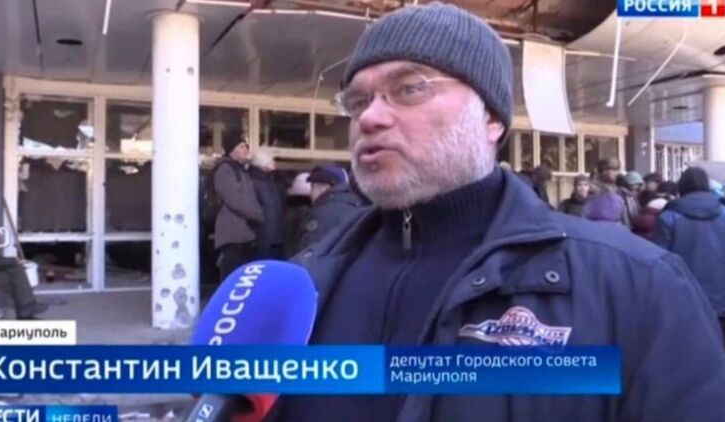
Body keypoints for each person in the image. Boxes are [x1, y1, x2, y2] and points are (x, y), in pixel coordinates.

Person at [270, 4, 725, 421]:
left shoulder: (636, 284)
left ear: (491, 119)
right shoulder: (304, 282)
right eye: (358, 101)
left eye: (409, 89)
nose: (369, 118)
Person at [654, 166, 725, 341]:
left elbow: (660, 262)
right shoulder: (723, 212)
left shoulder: (668, 217)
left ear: (681, 186)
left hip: (684, 297)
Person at [0, 200, 48, 319]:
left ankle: (26, 310)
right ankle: (26, 312)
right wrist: (11, 261)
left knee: (16, 272)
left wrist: (12, 262)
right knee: (15, 278)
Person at [213, 136, 264, 280]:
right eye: (241, 146)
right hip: (232, 233)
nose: (246, 149)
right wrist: (258, 214)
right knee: (232, 275)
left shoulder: (241, 170)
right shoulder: (225, 170)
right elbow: (235, 200)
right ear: (231, 151)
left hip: (243, 233)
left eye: (246, 146)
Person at [297, 165, 364, 250]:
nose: (310, 193)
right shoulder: (359, 208)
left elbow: (309, 250)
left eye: (313, 188)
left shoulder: (320, 214)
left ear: (324, 188)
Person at [249, 150, 286, 260]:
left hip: (275, 235)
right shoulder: (254, 182)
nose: (274, 162)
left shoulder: (272, 181)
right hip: (264, 236)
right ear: (262, 164)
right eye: (271, 161)